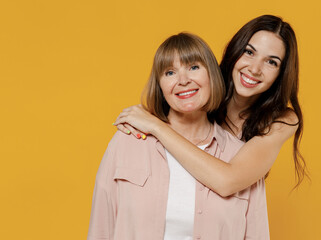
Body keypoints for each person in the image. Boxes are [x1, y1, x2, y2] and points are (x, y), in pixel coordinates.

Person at [88, 33, 269, 240]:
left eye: (193, 67)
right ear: (161, 86)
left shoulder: (239, 157)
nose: (183, 80)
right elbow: (100, 229)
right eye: (170, 72)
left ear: (211, 75)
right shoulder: (128, 141)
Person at [114, 15, 308, 197]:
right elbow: (168, 98)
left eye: (271, 62)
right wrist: (137, 119)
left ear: (281, 74)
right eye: (249, 52)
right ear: (235, 49)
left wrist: (156, 127)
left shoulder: (283, 120)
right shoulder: (204, 87)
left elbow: (227, 182)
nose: (255, 69)